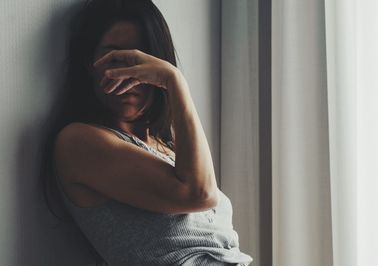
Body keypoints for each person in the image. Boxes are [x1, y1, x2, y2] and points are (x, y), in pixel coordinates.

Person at [40, 0, 253, 265]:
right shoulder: (78, 142)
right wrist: (175, 82)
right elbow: (199, 193)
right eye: (116, 58)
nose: (130, 75)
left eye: (141, 60)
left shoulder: (168, 147)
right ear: (89, 64)